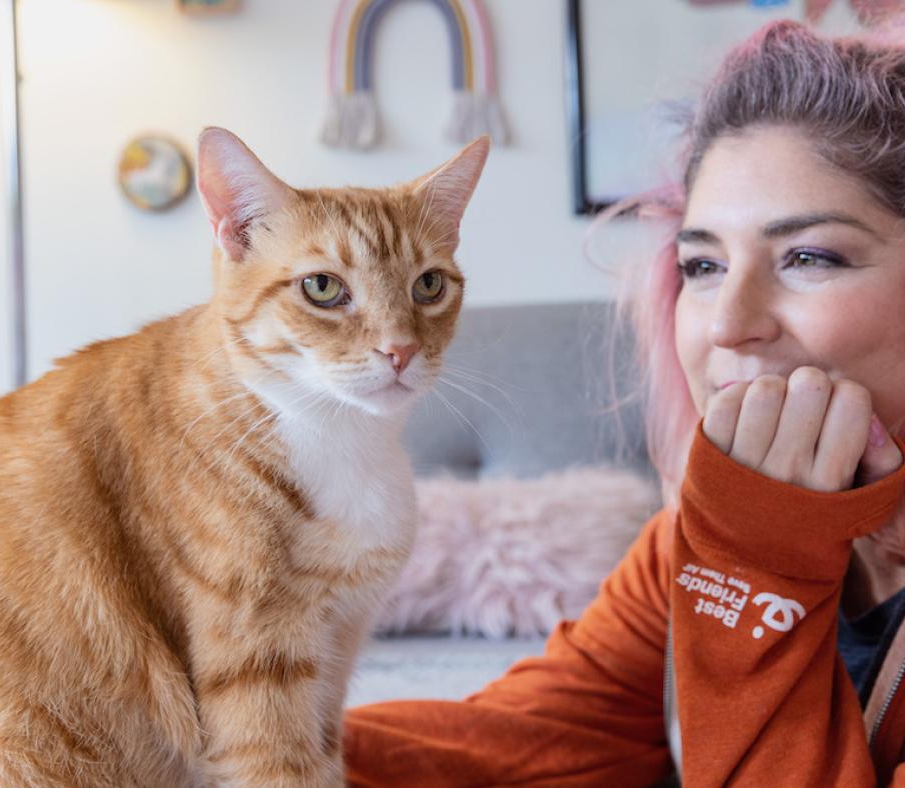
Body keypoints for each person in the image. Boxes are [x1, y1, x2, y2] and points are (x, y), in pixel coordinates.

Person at [342, 18, 905, 787]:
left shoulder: (736, 542)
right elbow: (505, 746)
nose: (728, 325)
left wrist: (757, 568)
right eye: (702, 266)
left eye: (809, 256)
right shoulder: (691, 547)